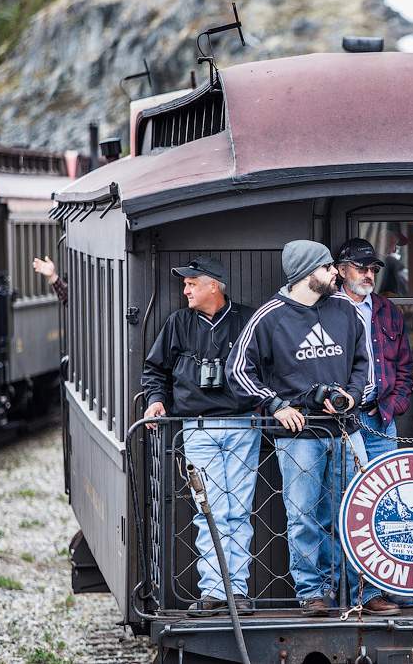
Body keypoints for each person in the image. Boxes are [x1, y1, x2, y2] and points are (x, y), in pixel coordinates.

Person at [226, 240, 400, 617]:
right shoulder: (269, 316)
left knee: (355, 513)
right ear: (308, 273)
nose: (336, 273)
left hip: (346, 431)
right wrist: (276, 405)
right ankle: (312, 594)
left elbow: (363, 365)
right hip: (298, 438)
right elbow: (237, 370)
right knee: (304, 516)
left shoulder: (344, 310)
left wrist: (353, 396)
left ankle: (361, 593)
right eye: (328, 269)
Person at [141, 256, 259, 615]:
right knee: (209, 511)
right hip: (197, 428)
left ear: (214, 286)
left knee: (237, 511)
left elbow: (270, 367)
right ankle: (214, 591)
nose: (185, 289)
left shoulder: (248, 319)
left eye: (192, 283)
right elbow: (155, 369)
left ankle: (236, 591)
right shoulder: (178, 322)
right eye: (185, 283)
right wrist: (156, 400)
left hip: (243, 426)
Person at [333, 237, 413, 608]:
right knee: (354, 508)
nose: (368, 274)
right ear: (340, 270)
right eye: (361, 267)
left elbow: (404, 365)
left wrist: (394, 404)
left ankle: (391, 586)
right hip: (343, 424)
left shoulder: (386, 309)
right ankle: (363, 593)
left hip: (381, 420)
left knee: (388, 505)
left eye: (372, 269)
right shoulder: (326, 309)